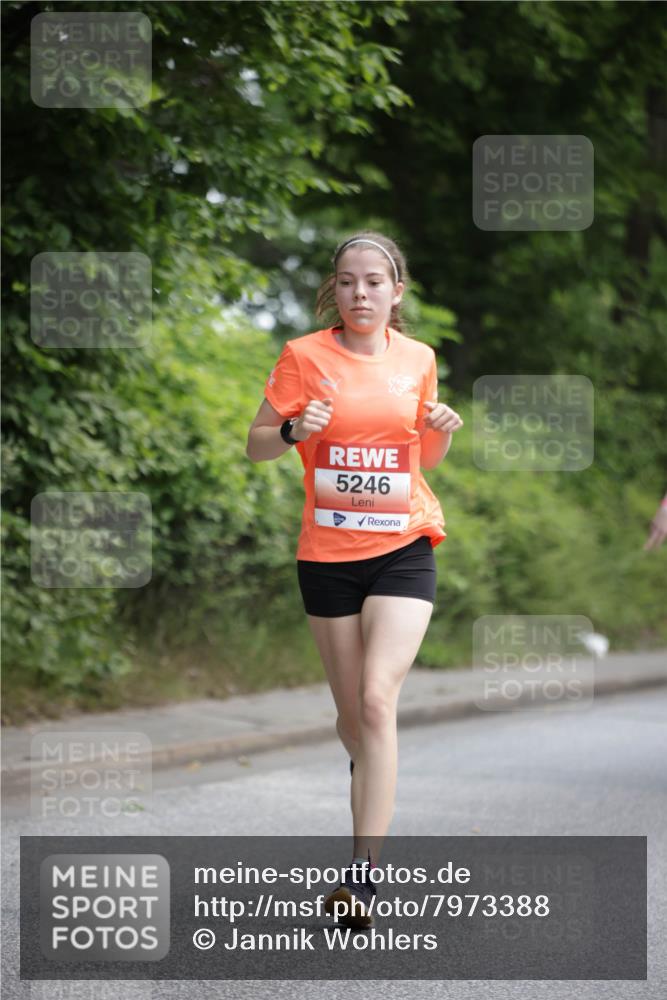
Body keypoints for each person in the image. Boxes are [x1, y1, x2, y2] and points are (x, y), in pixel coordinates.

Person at [245, 230, 463, 927]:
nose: (359, 292)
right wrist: (290, 431)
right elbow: (254, 446)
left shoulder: (418, 359)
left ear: (395, 292)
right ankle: (370, 773)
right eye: (346, 281)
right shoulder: (303, 358)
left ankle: (363, 875)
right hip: (327, 557)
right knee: (352, 720)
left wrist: (443, 427)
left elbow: (426, 454)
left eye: (373, 281)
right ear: (333, 291)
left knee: (375, 702)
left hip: (403, 545)